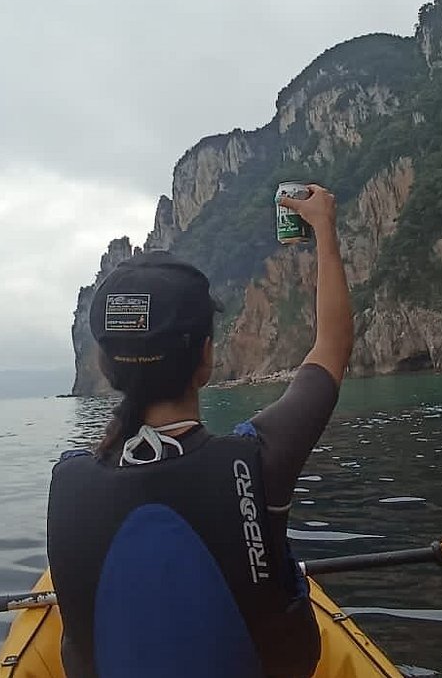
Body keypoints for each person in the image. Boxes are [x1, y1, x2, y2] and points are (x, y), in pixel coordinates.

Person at [46, 185, 352, 678]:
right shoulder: (258, 462)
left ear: (104, 366)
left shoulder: (69, 481)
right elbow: (330, 350)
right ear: (206, 358)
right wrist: (325, 231)